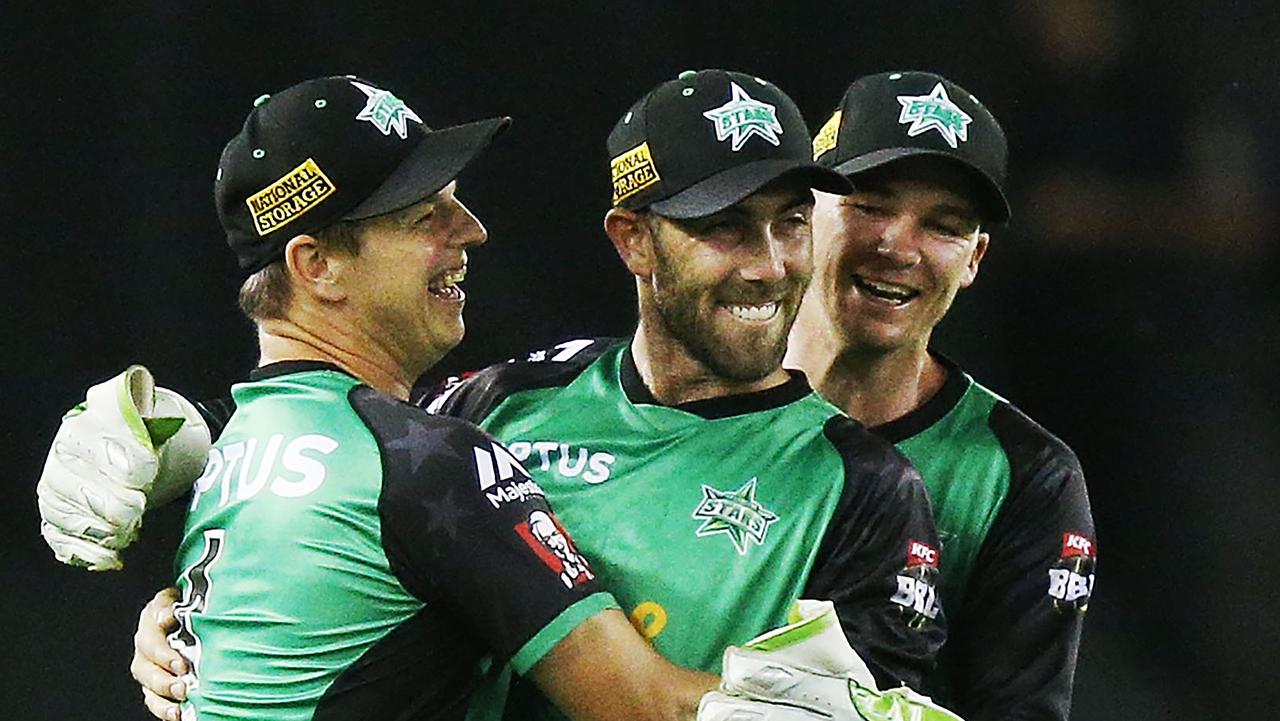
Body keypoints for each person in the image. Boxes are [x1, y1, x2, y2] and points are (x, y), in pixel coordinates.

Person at [39, 71, 955, 721]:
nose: (768, 263)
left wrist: (197, 549)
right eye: (722, 226)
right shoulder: (484, 416)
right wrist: (185, 620)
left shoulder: (870, 485)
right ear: (634, 240)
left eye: (792, 223)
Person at [788, 70, 1098, 721]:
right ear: (802, 213)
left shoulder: (1023, 477)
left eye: (944, 225)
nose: (899, 247)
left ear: (975, 257)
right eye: (869, 206)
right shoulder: (685, 402)